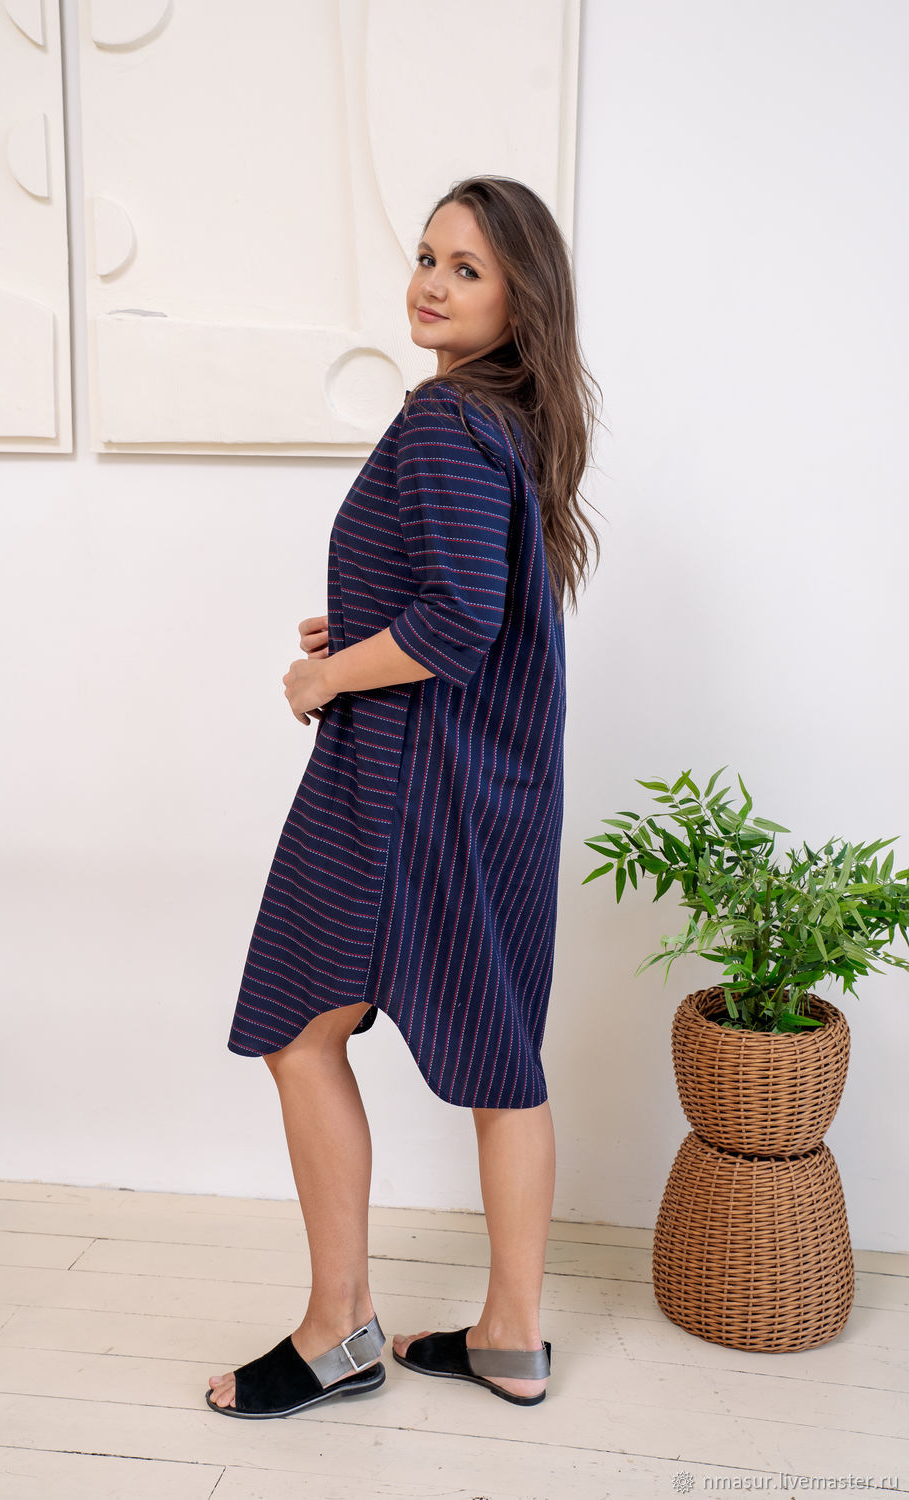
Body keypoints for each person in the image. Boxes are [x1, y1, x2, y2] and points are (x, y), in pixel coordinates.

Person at [206, 176, 602, 1420]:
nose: (431, 283)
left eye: (466, 268)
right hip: (491, 792)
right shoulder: (512, 424)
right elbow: (464, 607)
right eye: (427, 256)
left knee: (297, 1029)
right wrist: (368, 630)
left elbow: (458, 622)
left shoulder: (443, 417)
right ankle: (511, 1340)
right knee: (501, 1059)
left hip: (402, 788)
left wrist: (328, 675)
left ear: (521, 298)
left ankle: (338, 1332)